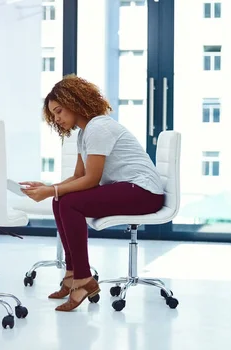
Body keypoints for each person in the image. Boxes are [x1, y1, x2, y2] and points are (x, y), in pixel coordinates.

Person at [21, 75, 165, 312]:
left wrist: (50, 191)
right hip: (128, 188)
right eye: (53, 115)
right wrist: (48, 187)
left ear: (74, 102)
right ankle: (71, 275)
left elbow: (92, 180)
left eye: (59, 111)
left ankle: (83, 279)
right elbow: (79, 177)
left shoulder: (99, 127)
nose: (56, 118)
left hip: (144, 192)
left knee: (68, 203)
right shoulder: (84, 133)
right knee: (61, 200)